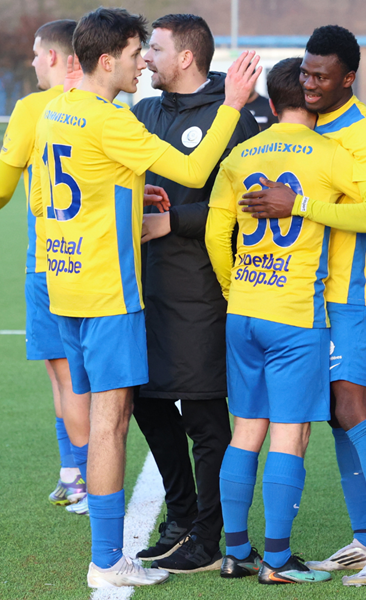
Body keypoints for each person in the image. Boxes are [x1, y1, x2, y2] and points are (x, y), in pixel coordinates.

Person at [29, 7, 259, 587]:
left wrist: (130, 198)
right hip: (114, 294)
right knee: (116, 421)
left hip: (73, 289)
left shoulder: (53, 110)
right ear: (109, 61)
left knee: (143, 415)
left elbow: (39, 201)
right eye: (137, 52)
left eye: (150, 51)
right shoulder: (116, 118)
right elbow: (194, 164)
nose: (142, 62)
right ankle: (108, 558)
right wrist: (232, 105)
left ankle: (191, 533)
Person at [206, 56, 366, 586]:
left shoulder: (238, 155)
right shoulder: (327, 153)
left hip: (243, 311)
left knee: (245, 430)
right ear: (310, 97)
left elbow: (214, 235)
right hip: (297, 314)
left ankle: (234, 552)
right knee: (289, 433)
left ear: (269, 105)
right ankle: (277, 562)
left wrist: (234, 287)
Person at [129, 14, 259, 574]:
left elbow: (252, 206)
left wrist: (173, 220)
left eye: (154, 48)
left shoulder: (234, 116)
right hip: (143, 285)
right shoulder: (144, 113)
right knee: (146, 402)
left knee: (205, 414)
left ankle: (212, 533)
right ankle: (182, 517)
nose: (146, 58)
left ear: (185, 57)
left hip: (204, 287)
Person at [0, 20, 93, 515]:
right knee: (70, 375)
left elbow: (1, 189)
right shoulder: (104, 107)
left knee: (67, 377)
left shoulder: (33, 108)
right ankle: (73, 472)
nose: (33, 62)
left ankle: (89, 480)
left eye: (37, 54)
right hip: (95, 264)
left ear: (55, 58)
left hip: (50, 263)